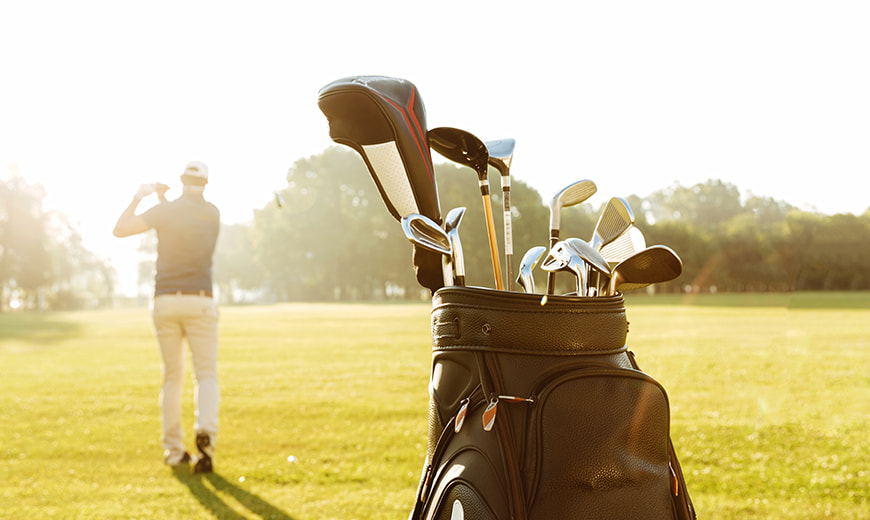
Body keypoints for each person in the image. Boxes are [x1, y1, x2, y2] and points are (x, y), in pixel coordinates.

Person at [113, 161, 221, 473]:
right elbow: (184, 224)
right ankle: (206, 441)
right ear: (206, 183)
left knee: (173, 377)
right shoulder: (212, 213)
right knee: (206, 376)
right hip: (201, 301)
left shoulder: (167, 211)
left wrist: (141, 196)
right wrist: (163, 202)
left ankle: (174, 451)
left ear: (181, 180)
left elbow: (120, 229)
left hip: (165, 301)